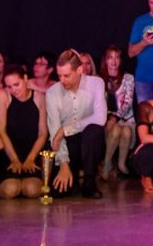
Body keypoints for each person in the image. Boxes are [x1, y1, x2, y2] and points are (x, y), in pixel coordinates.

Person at [45, 49, 107, 198]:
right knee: (59, 192)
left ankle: (89, 181)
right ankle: (72, 178)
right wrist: (63, 163)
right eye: (59, 76)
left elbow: (100, 118)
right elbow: (55, 134)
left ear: (79, 70)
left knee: (93, 131)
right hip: (67, 146)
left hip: (91, 145)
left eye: (66, 76)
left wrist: (67, 129)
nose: (62, 80)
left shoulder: (95, 83)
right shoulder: (52, 92)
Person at [0, 64, 47, 199]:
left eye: (16, 84)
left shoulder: (40, 97)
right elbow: (1, 132)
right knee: (10, 189)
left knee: (32, 189)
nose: (14, 90)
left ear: (25, 79)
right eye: (9, 86)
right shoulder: (2, 96)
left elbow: (43, 133)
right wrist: (14, 160)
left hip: (32, 152)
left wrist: (30, 159)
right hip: (8, 152)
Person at [99, 46, 135, 180]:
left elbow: (127, 103)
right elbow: (99, 103)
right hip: (106, 119)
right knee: (115, 131)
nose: (113, 61)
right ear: (105, 60)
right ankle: (107, 163)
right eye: (110, 57)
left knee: (126, 131)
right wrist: (108, 118)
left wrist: (116, 117)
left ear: (120, 61)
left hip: (126, 118)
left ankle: (121, 164)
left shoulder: (128, 78)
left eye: (117, 57)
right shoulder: (99, 79)